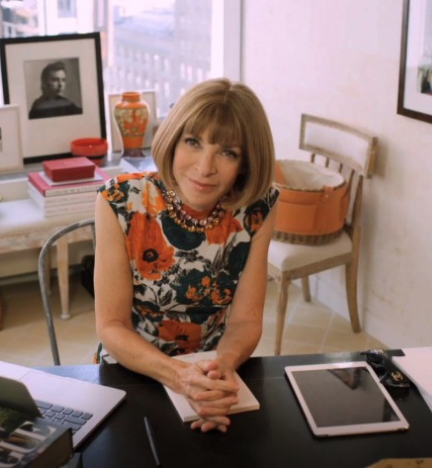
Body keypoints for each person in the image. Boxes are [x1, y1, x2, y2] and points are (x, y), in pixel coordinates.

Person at [93, 78, 279, 434]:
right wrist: (180, 377)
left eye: (228, 152)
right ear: (174, 139)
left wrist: (220, 369)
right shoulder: (119, 201)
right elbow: (111, 326)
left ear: (245, 163)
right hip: (132, 372)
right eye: (193, 142)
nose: (205, 167)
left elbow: (245, 320)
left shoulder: (259, 207)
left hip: (215, 374)